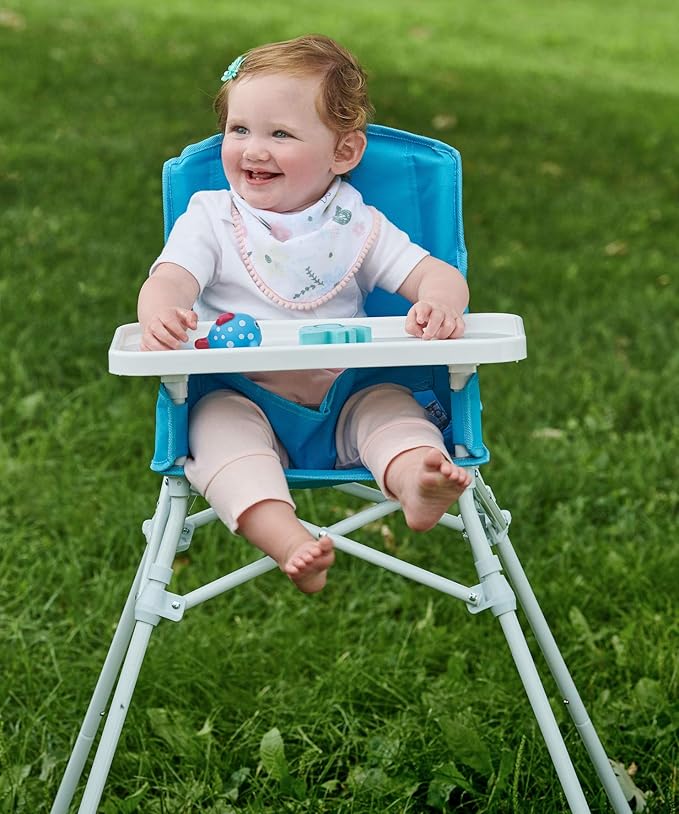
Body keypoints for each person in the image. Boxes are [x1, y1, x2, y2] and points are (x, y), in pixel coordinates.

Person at [137, 34, 472, 594]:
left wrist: (440, 302)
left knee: (392, 412)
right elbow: (170, 276)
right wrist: (162, 309)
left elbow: (437, 274)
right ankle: (288, 539)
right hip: (243, 394)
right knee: (219, 432)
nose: (253, 150)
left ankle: (417, 479)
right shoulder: (212, 217)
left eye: (280, 134)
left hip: (347, 394)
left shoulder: (356, 222)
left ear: (343, 153)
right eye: (238, 129)